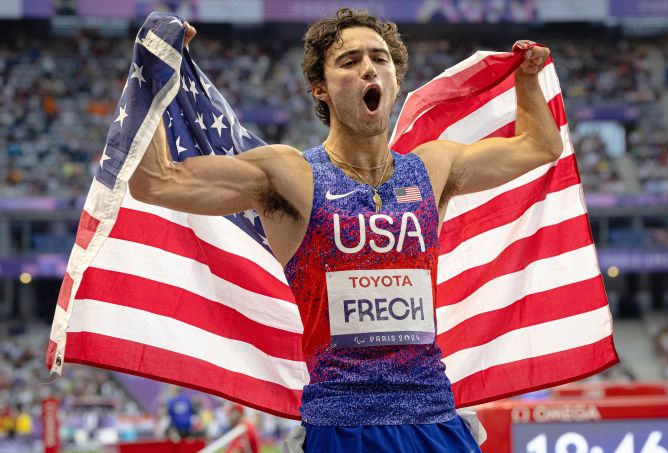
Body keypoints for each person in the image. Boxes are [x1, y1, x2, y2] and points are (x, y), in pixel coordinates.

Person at [129, 8, 561, 452]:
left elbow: (540, 146)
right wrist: (152, 67)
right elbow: (156, 181)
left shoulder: (432, 169)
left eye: (379, 59)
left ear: (395, 81)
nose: (368, 67)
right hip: (342, 426)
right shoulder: (291, 176)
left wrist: (527, 80)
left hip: (435, 418)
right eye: (349, 61)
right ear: (321, 88)